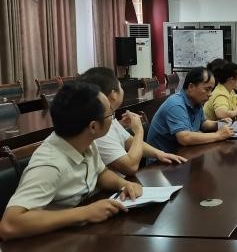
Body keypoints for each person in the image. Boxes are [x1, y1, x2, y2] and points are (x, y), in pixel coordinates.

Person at [0, 83, 142, 241]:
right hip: (47, 245)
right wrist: (85, 213)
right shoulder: (49, 165)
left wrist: (124, 184)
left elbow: (101, 173)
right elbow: (9, 225)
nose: (113, 118)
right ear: (93, 126)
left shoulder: (85, 140)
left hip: (80, 235)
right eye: (111, 114)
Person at [80, 67, 187, 175]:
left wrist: (159, 154)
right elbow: (131, 166)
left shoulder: (109, 116)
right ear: (113, 94)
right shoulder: (98, 129)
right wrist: (139, 131)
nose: (123, 90)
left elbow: (128, 141)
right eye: (120, 87)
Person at [146, 67, 234, 152]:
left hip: (181, 153)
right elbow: (184, 138)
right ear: (191, 87)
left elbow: (203, 123)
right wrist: (218, 135)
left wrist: (219, 123)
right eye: (207, 89)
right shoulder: (176, 104)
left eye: (211, 89)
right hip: (161, 159)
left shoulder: (196, 101)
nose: (210, 94)